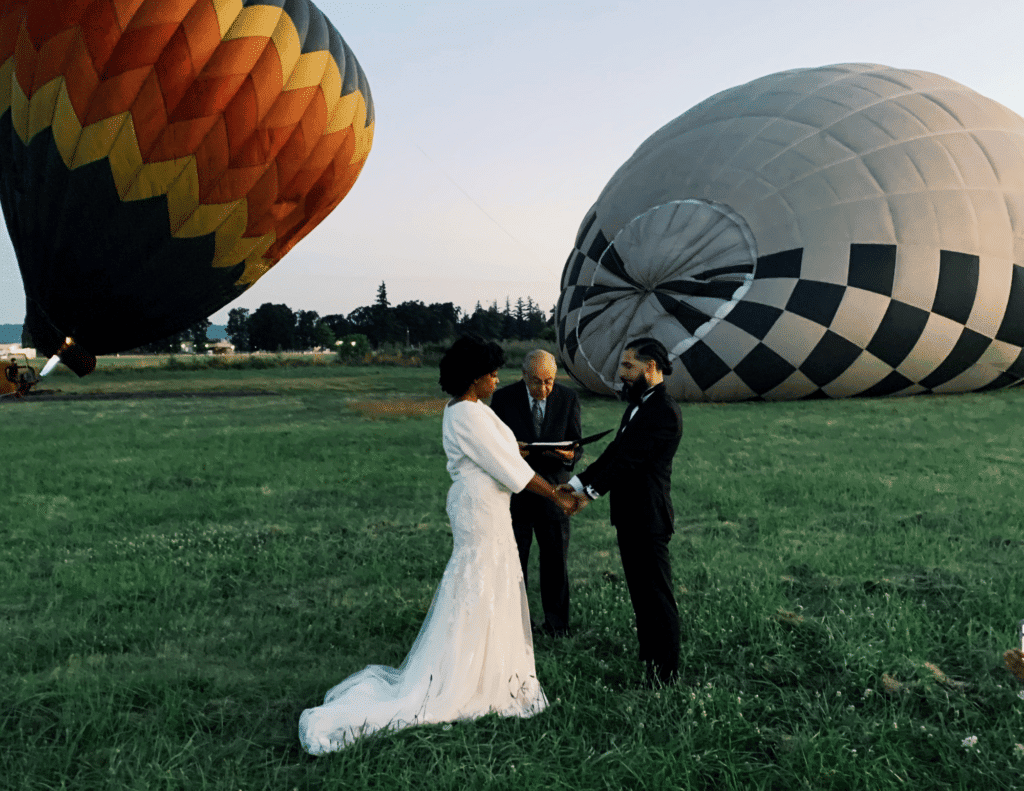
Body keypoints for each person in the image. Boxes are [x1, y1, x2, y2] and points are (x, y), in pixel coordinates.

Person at [299, 336, 580, 754]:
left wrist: (517, 447)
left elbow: (502, 450)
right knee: (480, 580)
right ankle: (468, 675)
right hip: (481, 507)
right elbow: (512, 470)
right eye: (491, 373)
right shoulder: (468, 415)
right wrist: (556, 494)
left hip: (485, 503)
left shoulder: (471, 410)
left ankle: (488, 663)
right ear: (474, 378)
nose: (496, 379)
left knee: (489, 579)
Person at [560, 337, 683, 686]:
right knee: (641, 595)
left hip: (649, 517)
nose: (622, 373)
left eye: (629, 366)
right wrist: (579, 483)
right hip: (631, 516)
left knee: (656, 596)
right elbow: (615, 451)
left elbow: (629, 461)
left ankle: (665, 673)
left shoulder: (662, 410)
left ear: (651, 367)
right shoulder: (639, 405)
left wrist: (589, 495)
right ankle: (651, 661)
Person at [490, 350, 582, 637]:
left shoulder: (568, 398)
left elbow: (577, 447)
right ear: (523, 375)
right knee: (515, 561)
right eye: (536, 382)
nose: (543, 389)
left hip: (554, 490)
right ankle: (517, 626)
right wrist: (510, 449)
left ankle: (557, 626)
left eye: (549, 382)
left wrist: (570, 456)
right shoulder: (504, 399)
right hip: (516, 493)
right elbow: (493, 446)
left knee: (555, 561)